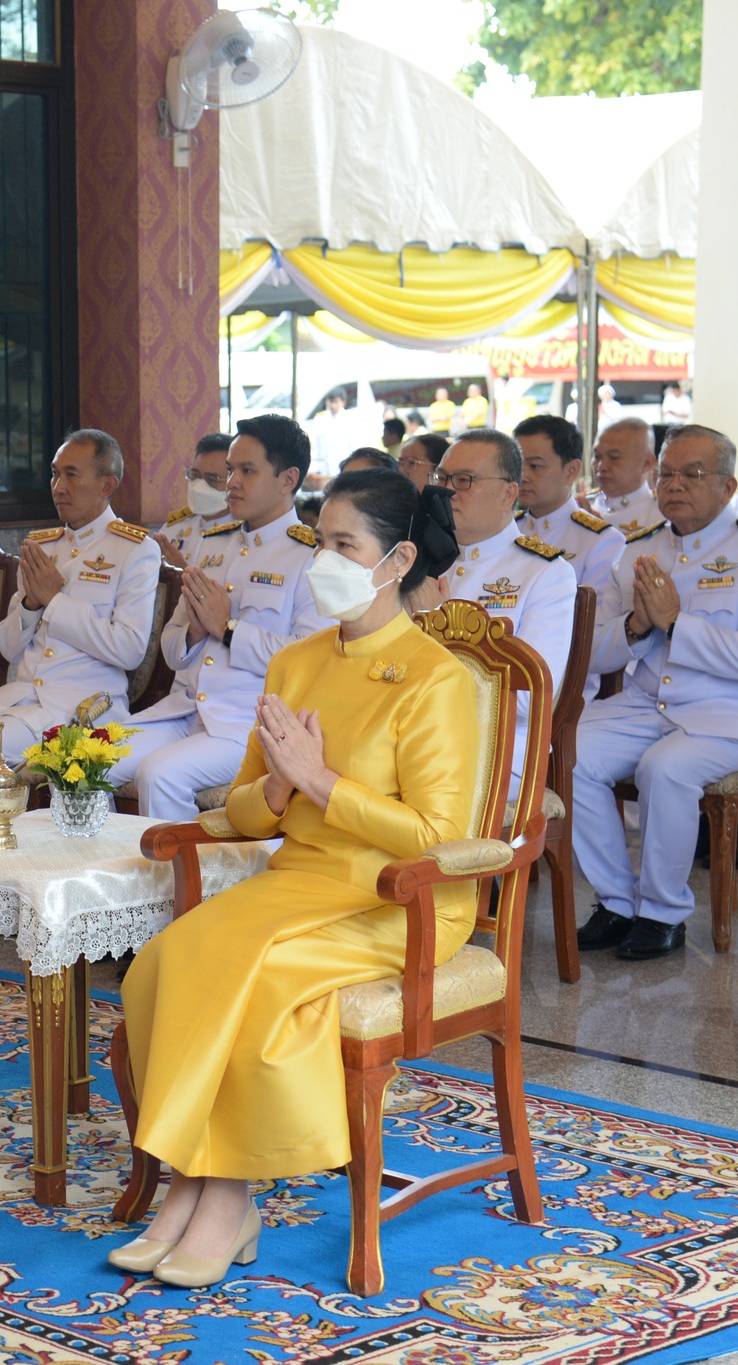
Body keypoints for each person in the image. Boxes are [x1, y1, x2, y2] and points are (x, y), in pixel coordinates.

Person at [107, 468, 469, 1287]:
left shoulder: (437, 678)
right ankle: (192, 1177)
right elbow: (242, 813)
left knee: (253, 975)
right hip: (300, 880)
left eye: (345, 546)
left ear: (397, 557)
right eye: (320, 542)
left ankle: (224, 1190)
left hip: (397, 898)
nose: (323, 562)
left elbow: (438, 840)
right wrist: (274, 788)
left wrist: (322, 782)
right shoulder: (297, 662)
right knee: (168, 956)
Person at [572, 425, 738, 960]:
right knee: (568, 754)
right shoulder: (638, 550)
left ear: (728, 486)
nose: (674, 485)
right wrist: (636, 625)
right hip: (650, 704)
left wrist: (676, 624)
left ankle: (661, 913)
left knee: (665, 767)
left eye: (692, 474)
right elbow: (596, 652)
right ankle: (616, 902)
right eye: (667, 473)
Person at [115, 415, 332, 821]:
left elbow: (307, 661)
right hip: (182, 713)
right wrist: (196, 630)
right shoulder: (213, 546)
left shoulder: (311, 558)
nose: (231, 482)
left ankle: (180, 883)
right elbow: (171, 648)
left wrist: (227, 629)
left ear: (288, 480)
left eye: (247, 471)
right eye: (232, 470)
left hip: (246, 726)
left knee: (160, 774)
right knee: (82, 759)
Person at [0, 430, 163, 755]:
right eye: (55, 474)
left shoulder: (135, 550)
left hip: (81, 708)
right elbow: (9, 648)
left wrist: (55, 602)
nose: (59, 487)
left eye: (71, 475)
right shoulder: (43, 545)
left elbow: (130, 649)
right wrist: (30, 604)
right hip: (20, 700)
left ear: (106, 485)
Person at [416, 429, 576, 778]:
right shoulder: (418, 561)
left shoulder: (544, 573)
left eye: (463, 480)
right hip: (416, 733)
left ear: (508, 494)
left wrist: (439, 627)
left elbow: (528, 699)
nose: (445, 491)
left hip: (495, 750)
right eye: (441, 478)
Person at [515, 414, 628, 615]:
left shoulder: (602, 542)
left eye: (535, 466)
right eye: (517, 465)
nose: (522, 477)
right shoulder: (507, 529)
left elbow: (592, 626)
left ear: (571, 471)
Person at [154, 434, 236, 569]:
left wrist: (183, 571)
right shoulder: (174, 528)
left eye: (212, 479)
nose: (198, 486)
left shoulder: (243, 535)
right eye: (195, 475)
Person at [588, 416, 660, 534]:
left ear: (646, 463)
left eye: (614, 457)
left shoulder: (663, 515)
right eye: (597, 456)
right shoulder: (581, 508)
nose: (601, 466)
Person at [306, 389, 362, 481]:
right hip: (324, 466)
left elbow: (354, 445)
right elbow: (315, 446)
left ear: (343, 403)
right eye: (330, 402)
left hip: (343, 464)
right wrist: (314, 466)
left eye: (336, 402)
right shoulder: (320, 419)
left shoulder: (350, 419)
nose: (333, 405)